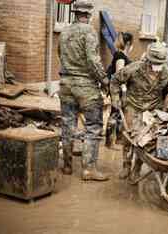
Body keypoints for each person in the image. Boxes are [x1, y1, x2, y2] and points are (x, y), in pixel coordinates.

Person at [58, 0, 109, 181]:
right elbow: (93, 61)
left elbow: (60, 54)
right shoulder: (89, 32)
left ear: (75, 13)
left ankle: (66, 166)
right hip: (85, 86)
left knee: (67, 125)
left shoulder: (64, 32)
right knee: (93, 127)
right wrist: (104, 81)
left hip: (65, 84)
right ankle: (89, 169)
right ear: (88, 15)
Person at [110, 42, 168, 180]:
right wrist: (115, 98)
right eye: (155, 62)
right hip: (133, 106)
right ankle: (126, 165)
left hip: (152, 110)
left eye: (160, 63)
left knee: (145, 142)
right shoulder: (134, 68)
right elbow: (115, 80)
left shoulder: (166, 73)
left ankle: (137, 168)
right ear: (148, 60)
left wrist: (165, 109)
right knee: (128, 138)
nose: (157, 66)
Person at [105, 32, 134, 147]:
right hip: (118, 89)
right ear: (128, 44)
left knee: (117, 114)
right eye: (132, 44)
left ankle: (115, 139)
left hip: (118, 88)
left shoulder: (121, 55)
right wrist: (124, 89)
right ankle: (110, 142)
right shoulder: (120, 56)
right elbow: (119, 73)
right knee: (115, 113)